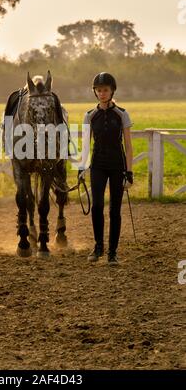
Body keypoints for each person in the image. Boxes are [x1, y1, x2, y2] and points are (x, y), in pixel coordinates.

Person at [78, 72, 134, 266]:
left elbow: (128, 146)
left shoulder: (122, 114)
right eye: (99, 90)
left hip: (117, 166)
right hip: (98, 165)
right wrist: (81, 167)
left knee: (115, 210)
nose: (102, 93)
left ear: (112, 91)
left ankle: (112, 252)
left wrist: (129, 171)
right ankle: (98, 247)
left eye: (105, 90)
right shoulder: (89, 116)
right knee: (97, 206)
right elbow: (85, 145)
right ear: (95, 92)